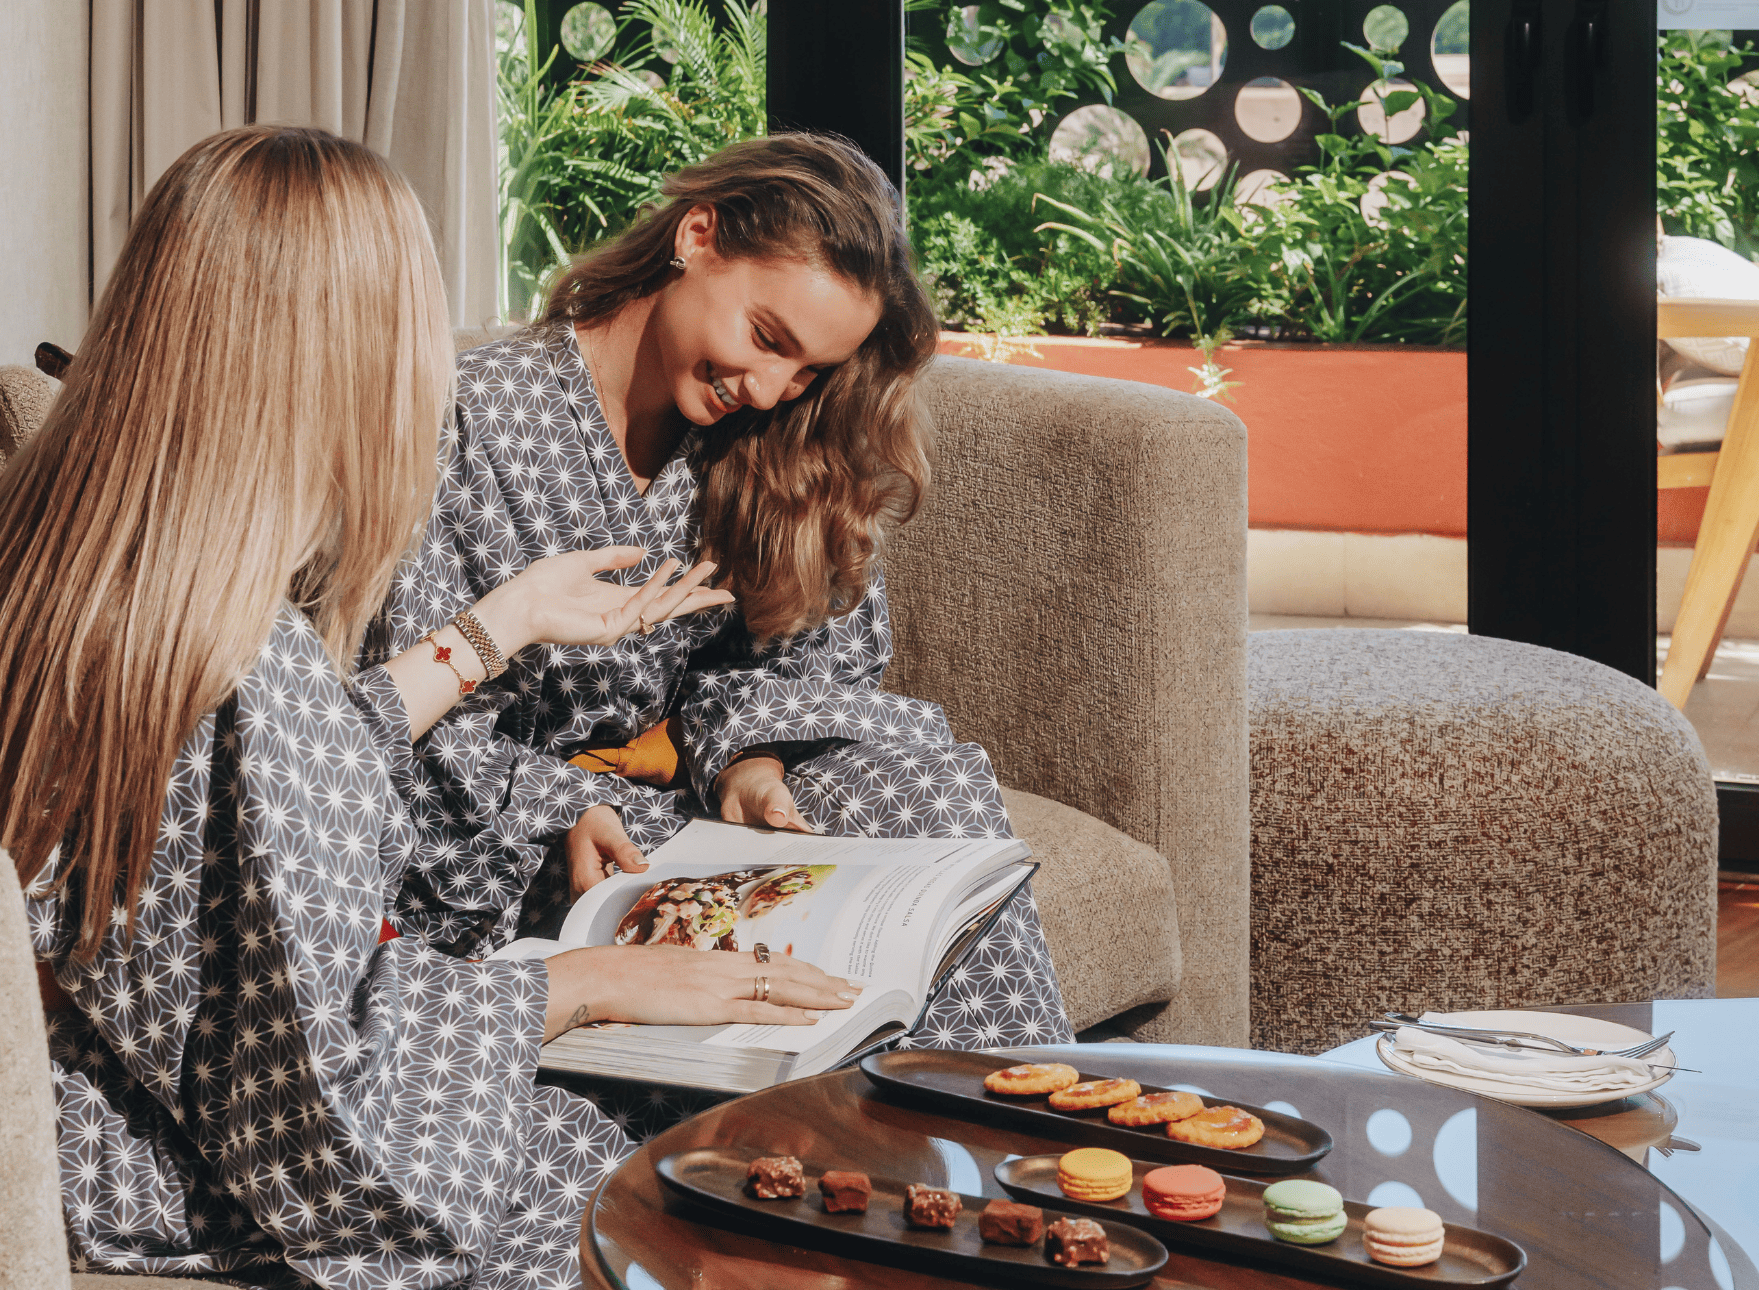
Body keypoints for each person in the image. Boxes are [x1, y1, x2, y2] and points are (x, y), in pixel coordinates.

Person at [3, 126, 859, 1288]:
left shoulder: (77, 552)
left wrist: (492, 629)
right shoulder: (250, 667)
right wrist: (579, 987)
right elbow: (327, 1129)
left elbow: (241, 818)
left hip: (97, 1098)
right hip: (156, 1154)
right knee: (653, 1201)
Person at [378, 131, 1076, 1102]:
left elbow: (806, 668)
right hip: (507, 846)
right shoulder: (469, 419)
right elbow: (410, 714)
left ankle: (1021, 1107)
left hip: (675, 813)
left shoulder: (754, 445)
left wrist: (750, 758)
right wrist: (571, 803)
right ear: (697, 235)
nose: (769, 390)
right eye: (768, 339)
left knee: (922, 789)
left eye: (805, 374)